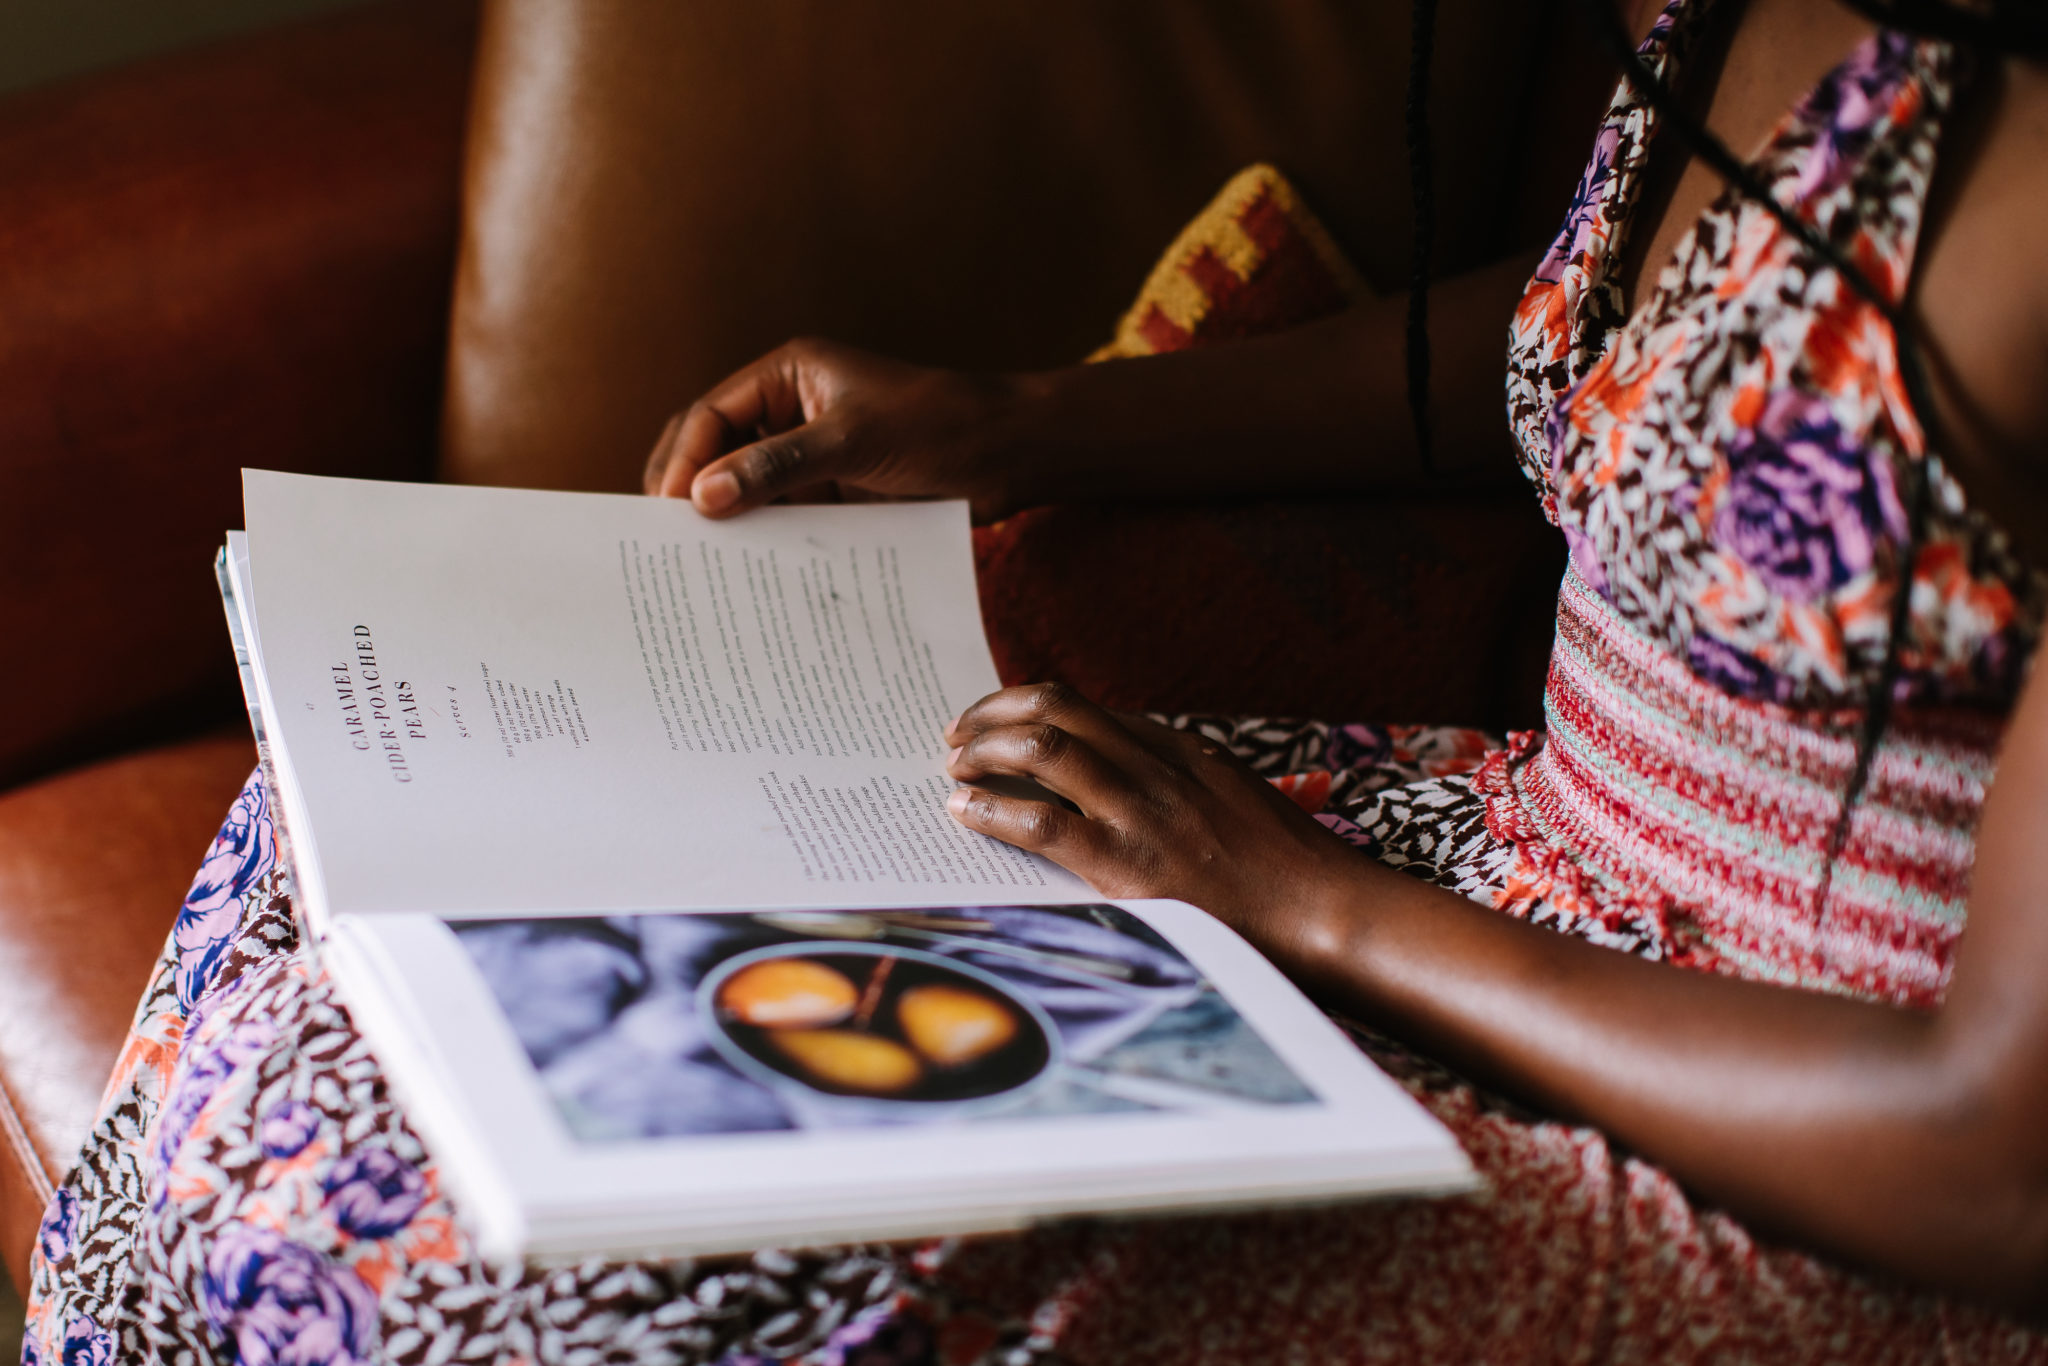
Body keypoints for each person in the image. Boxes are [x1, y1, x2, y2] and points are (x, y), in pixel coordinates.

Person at [25, 0, 2048, 1361]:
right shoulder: (1752, 28)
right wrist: (1025, 424)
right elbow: (1559, 359)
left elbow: (1997, 1165)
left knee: (564, 1254)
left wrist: (1318, 906)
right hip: (1497, 869)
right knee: (337, 854)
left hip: (1790, 1147)